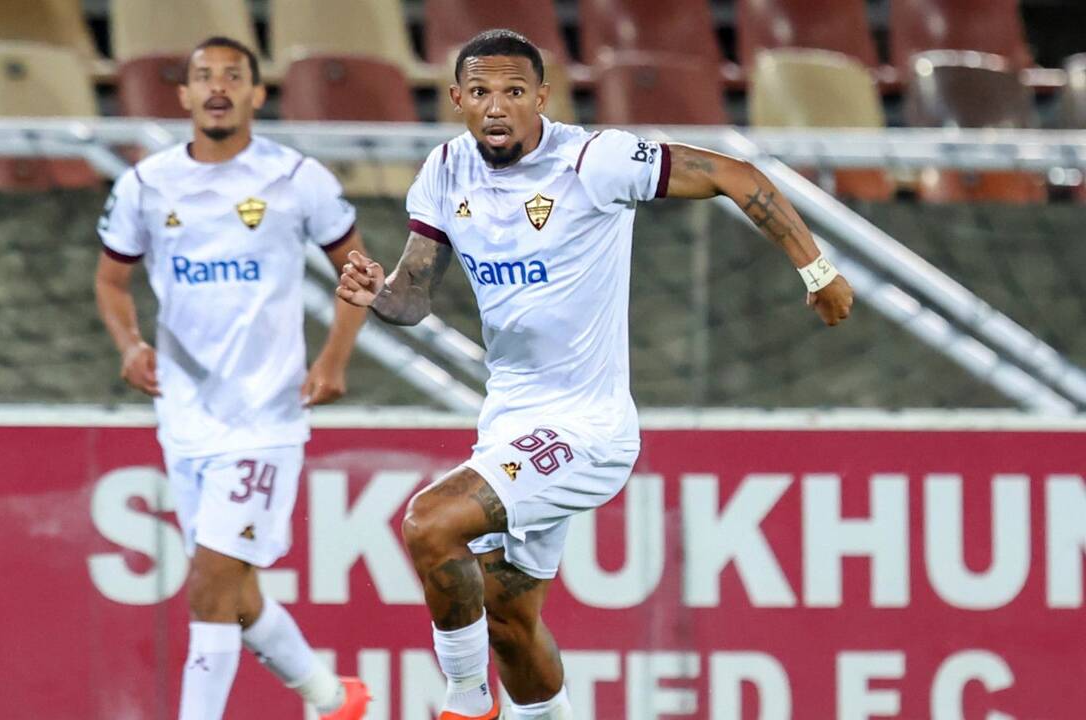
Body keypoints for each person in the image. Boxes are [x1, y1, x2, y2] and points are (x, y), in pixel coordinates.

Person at [337, 29, 854, 720]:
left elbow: (737, 175)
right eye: (481, 92)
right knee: (511, 623)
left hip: (587, 428)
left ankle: (465, 704)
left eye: (514, 91)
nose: (497, 106)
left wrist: (818, 272)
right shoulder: (446, 169)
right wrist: (378, 294)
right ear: (457, 99)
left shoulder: (593, 160)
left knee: (430, 523)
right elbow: (414, 295)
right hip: (509, 425)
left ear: (542, 97)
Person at [95, 36, 371, 720]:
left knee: (211, 585)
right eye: (204, 76)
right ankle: (333, 698)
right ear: (184, 95)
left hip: (264, 417)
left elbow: (359, 272)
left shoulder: (296, 178)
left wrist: (334, 359)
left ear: (257, 93)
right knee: (235, 595)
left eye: (233, 76)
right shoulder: (145, 185)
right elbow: (110, 281)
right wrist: (130, 345)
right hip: (184, 416)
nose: (218, 87)